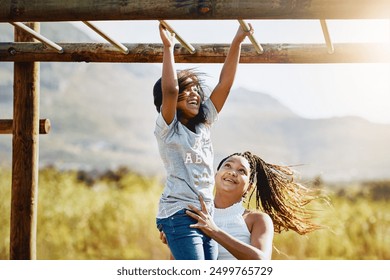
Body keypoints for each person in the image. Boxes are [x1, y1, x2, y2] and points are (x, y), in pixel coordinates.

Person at [152, 23, 254, 260]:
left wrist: (237, 41)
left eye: (196, 90)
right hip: (179, 212)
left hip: (205, 215)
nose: (194, 94)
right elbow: (169, 89)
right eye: (186, 91)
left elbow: (224, 86)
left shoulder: (204, 125)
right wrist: (168, 48)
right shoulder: (169, 129)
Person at [162, 151, 323, 260]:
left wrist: (214, 231)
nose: (233, 172)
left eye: (242, 171)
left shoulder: (256, 220)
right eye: (228, 166)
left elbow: (261, 261)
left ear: (250, 186)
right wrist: (175, 243)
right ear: (214, 175)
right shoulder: (193, 214)